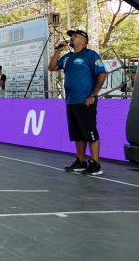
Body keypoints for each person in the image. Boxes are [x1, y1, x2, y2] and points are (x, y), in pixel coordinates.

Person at [49, 29, 107, 176]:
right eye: (71, 36)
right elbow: (52, 67)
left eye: (74, 36)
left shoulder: (90, 55)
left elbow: (102, 74)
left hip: (86, 101)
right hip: (71, 101)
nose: (71, 38)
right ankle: (81, 161)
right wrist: (58, 50)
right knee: (78, 134)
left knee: (90, 132)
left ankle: (95, 164)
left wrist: (93, 94)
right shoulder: (67, 57)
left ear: (83, 40)